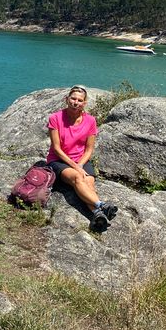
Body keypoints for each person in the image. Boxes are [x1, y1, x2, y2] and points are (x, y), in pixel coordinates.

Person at [46, 85, 117, 229]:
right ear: (66, 99)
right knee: (78, 178)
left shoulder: (90, 121)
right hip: (59, 160)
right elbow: (57, 149)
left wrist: (80, 164)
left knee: (89, 183)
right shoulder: (55, 118)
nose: (75, 102)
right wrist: (76, 167)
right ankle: (101, 205)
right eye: (73, 98)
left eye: (79, 100)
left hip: (81, 160)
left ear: (84, 103)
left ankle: (97, 214)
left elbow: (89, 149)